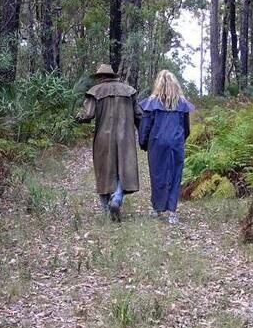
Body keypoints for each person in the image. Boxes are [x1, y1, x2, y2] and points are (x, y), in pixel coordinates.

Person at [75, 64, 142, 221]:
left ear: (100, 77)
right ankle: (117, 198)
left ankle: (106, 208)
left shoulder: (95, 91)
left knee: (103, 171)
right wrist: (145, 136)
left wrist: (76, 118)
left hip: (103, 138)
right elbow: (139, 114)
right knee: (123, 170)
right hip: (126, 137)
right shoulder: (129, 91)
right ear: (112, 76)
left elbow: (87, 115)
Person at [138, 70, 194, 225]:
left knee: (157, 175)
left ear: (159, 85)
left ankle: (157, 208)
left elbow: (145, 127)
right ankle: (172, 212)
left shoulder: (152, 103)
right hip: (176, 143)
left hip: (157, 143)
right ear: (175, 85)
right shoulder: (181, 104)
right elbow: (186, 128)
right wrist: (180, 140)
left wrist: (143, 143)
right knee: (175, 175)